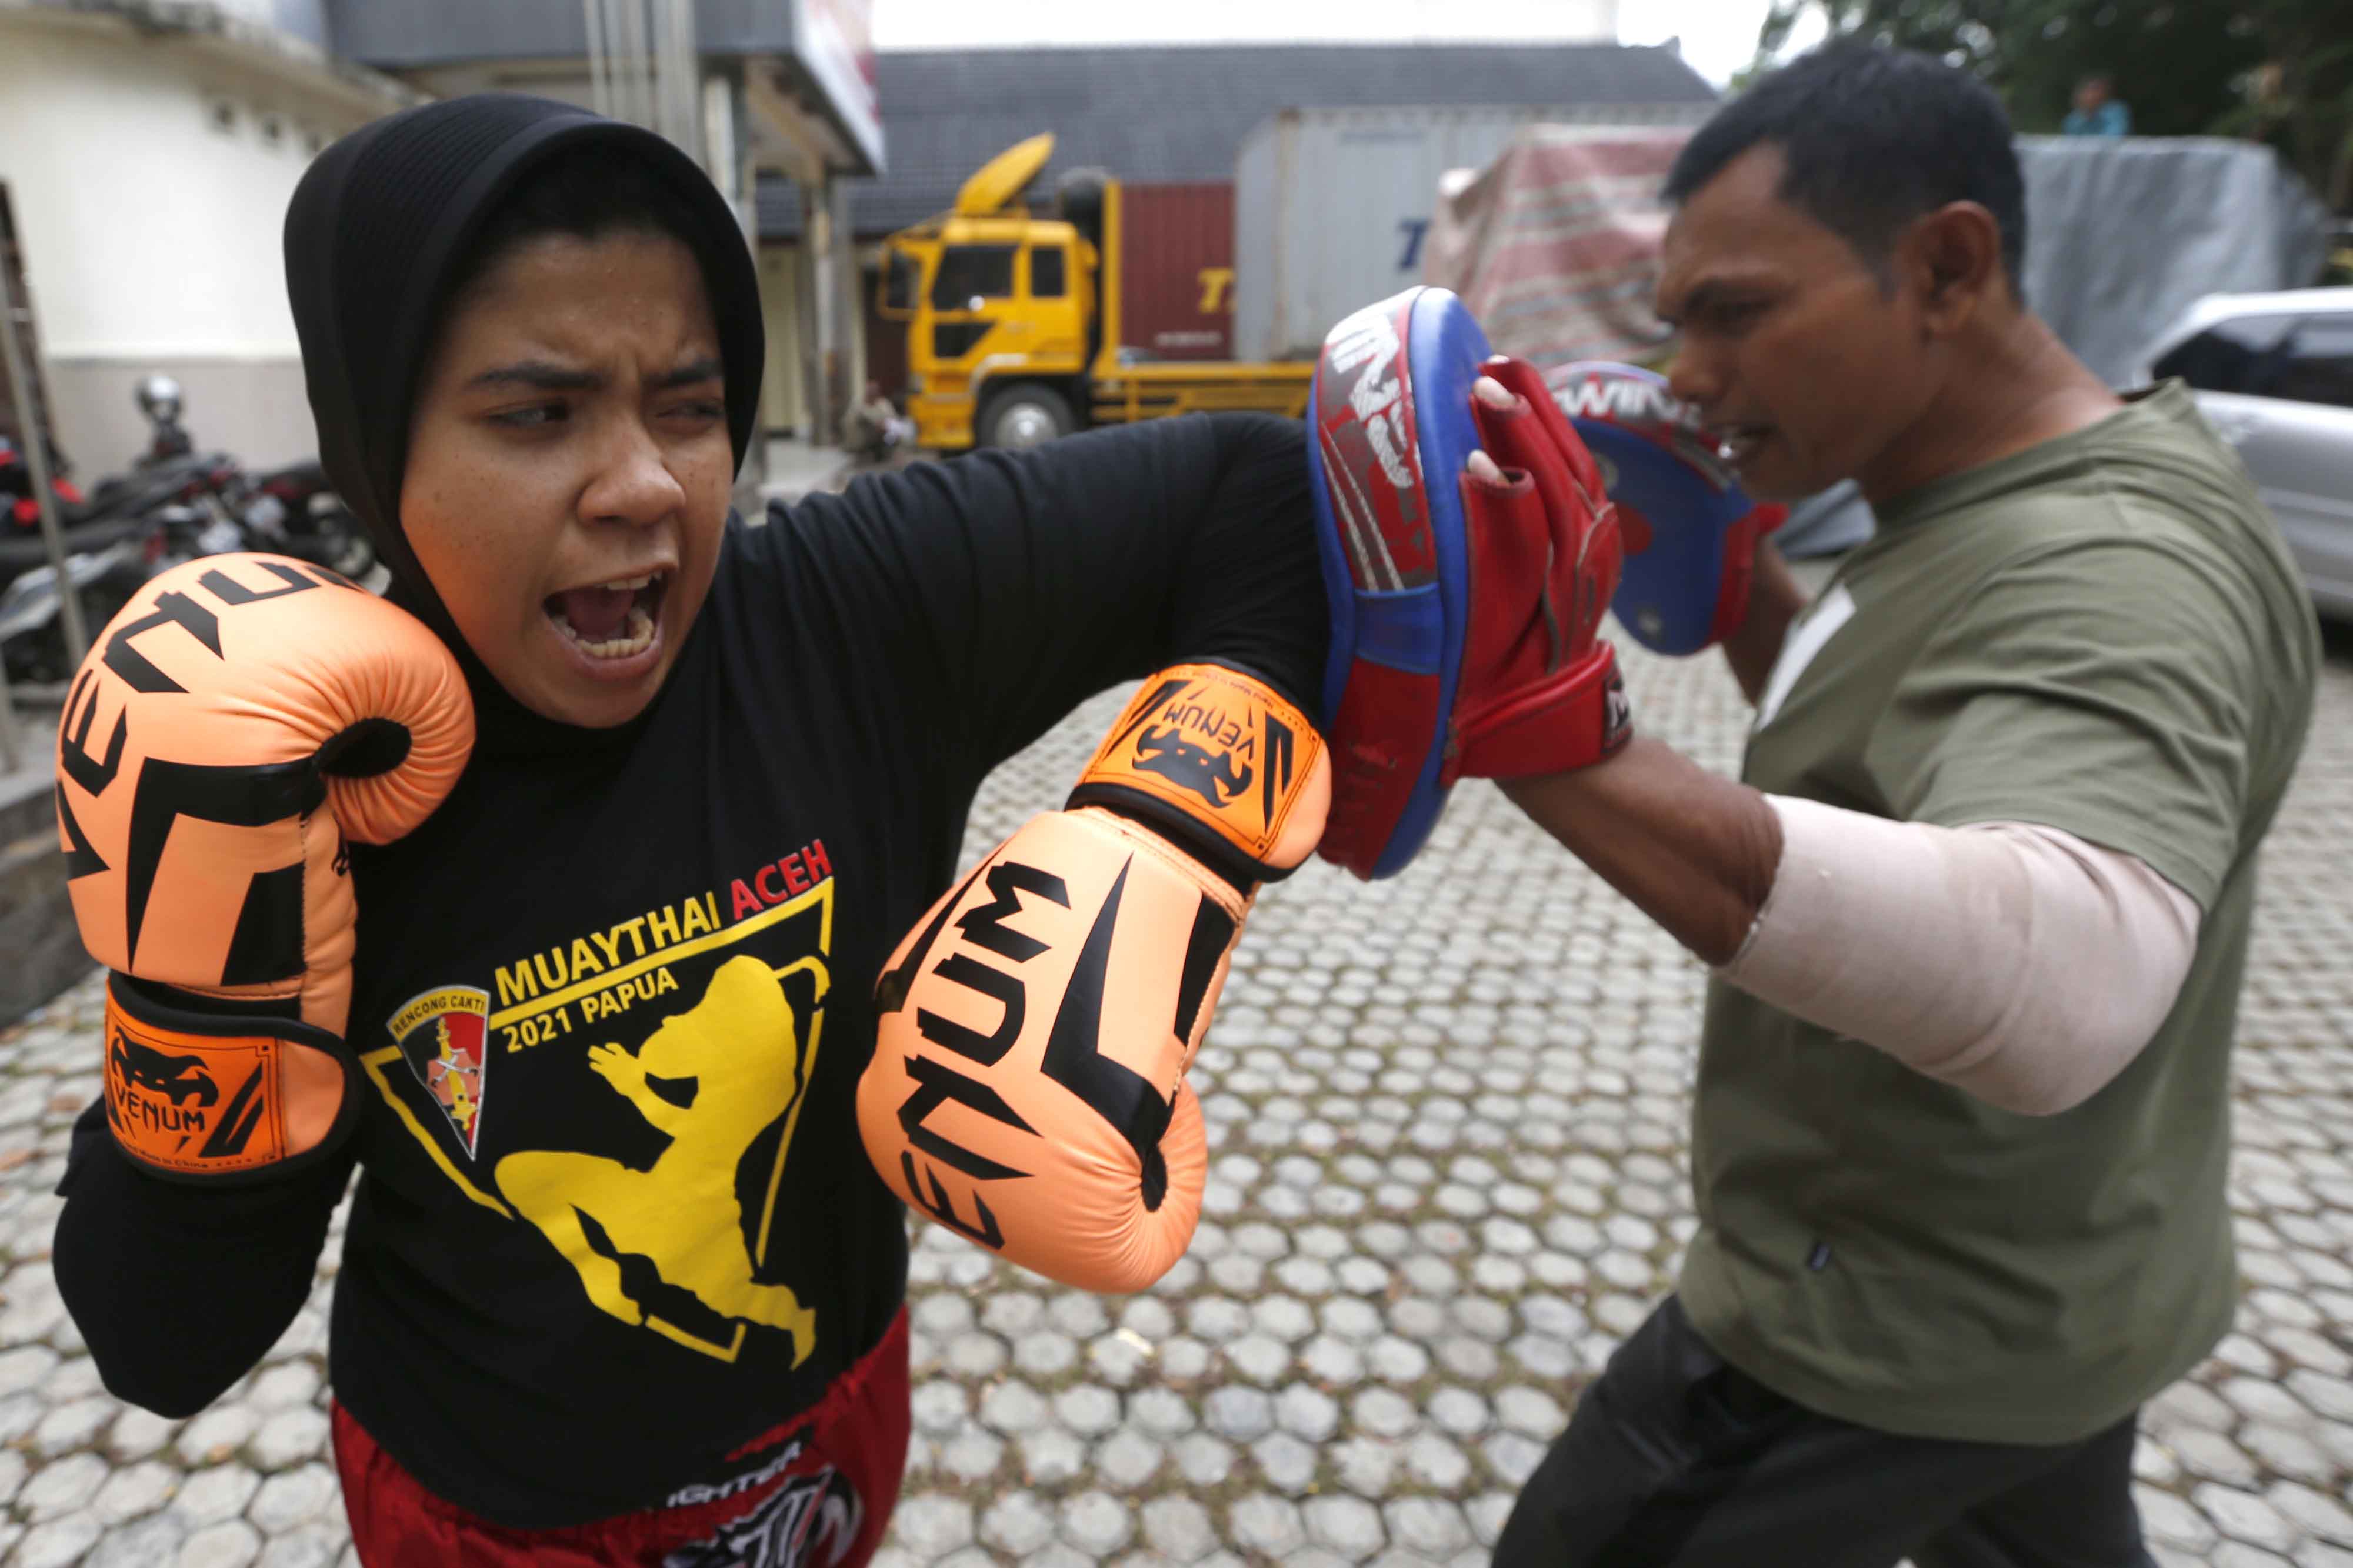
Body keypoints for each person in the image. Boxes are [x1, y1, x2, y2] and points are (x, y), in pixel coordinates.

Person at [49, 93, 1335, 1565]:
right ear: (376, 445)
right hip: (486, 1511)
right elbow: (162, 1341)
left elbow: (1258, 494)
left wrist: (1168, 837)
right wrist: (200, 999)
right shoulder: (294, 781)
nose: (646, 483)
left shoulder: (847, 612)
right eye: (537, 413)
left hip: (825, 1427)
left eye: (688, 403)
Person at [1488, 41, 2315, 1567]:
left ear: (1945, 268)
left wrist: (1528, 721)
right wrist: (1738, 583)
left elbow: (2060, 972)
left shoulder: (2112, 568)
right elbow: (1894, 753)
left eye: (1735, 312)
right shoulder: (1971, 497)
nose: (1687, 375)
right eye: (1675, 327)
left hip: (1870, 1323)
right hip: (2061, 1293)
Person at [839, 380, 912, 463]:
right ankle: (874, 450)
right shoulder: (859, 404)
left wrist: (885, 424)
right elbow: (851, 420)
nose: (873, 394)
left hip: (885, 431)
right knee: (875, 434)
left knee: (895, 432)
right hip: (867, 433)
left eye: (875, 392)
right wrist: (873, 425)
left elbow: (893, 417)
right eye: (871, 392)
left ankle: (889, 448)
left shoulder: (884, 403)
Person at [2063, 73, 2132, 136]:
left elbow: (2115, 136)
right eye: (2088, 91)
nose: (2092, 95)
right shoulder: (2074, 118)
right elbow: (2070, 138)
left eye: (2096, 90)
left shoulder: (2116, 111)